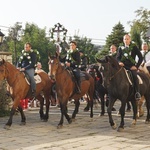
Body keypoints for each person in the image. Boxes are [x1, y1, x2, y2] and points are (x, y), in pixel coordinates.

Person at [116, 34, 143, 100]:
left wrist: (136, 66)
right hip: (123, 66)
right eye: (125, 39)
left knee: (134, 76)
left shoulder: (134, 47)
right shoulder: (120, 48)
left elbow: (140, 57)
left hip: (131, 67)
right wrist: (119, 62)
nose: (126, 40)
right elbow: (117, 57)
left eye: (127, 39)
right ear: (123, 40)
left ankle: (137, 92)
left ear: (130, 40)